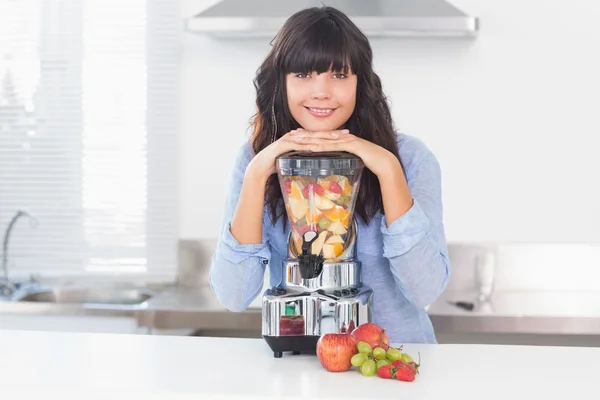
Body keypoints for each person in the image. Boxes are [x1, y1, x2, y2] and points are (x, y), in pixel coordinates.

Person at [209, 6, 451, 344]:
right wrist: (256, 175)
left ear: (360, 83)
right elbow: (233, 297)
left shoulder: (409, 159)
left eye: (339, 75)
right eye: (303, 75)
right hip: (297, 369)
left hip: (395, 363)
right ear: (282, 83)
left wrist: (387, 169)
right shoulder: (255, 160)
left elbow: (424, 289)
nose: (321, 92)